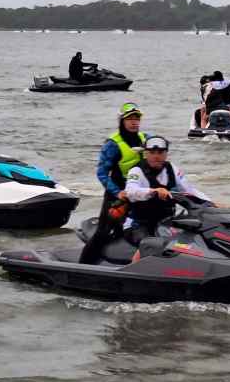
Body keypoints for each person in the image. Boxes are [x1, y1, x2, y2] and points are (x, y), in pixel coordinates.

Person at [80, 103, 147, 264]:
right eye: (129, 118)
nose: (134, 122)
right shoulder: (112, 144)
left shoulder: (146, 139)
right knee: (103, 233)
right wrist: (117, 192)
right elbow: (102, 173)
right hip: (117, 196)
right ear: (121, 121)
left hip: (139, 193)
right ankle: (83, 265)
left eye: (137, 118)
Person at [122, 136, 210, 246]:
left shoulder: (171, 169)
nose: (156, 156)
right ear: (146, 153)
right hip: (138, 224)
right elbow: (130, 191)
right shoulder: (136, 171)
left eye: (160, 152)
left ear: (166, 154)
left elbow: (190, 190)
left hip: (165, 223)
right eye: (152, 152)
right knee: (150, 245)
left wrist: (210, 203)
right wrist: (153, 191)